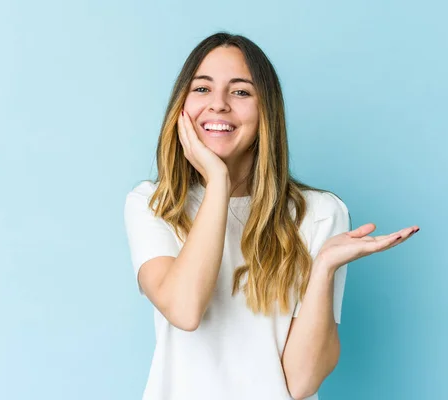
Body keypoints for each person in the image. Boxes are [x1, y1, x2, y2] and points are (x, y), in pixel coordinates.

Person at [124, 32, 419, 400]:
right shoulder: (154, 204)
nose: (218, 104)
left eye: (241, 92)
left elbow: (300, 383)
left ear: (267, 111)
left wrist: (324, 267)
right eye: (202, 89)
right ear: (181, 105)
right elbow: (185, 310)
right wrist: (218, 180)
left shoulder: (320, 214)